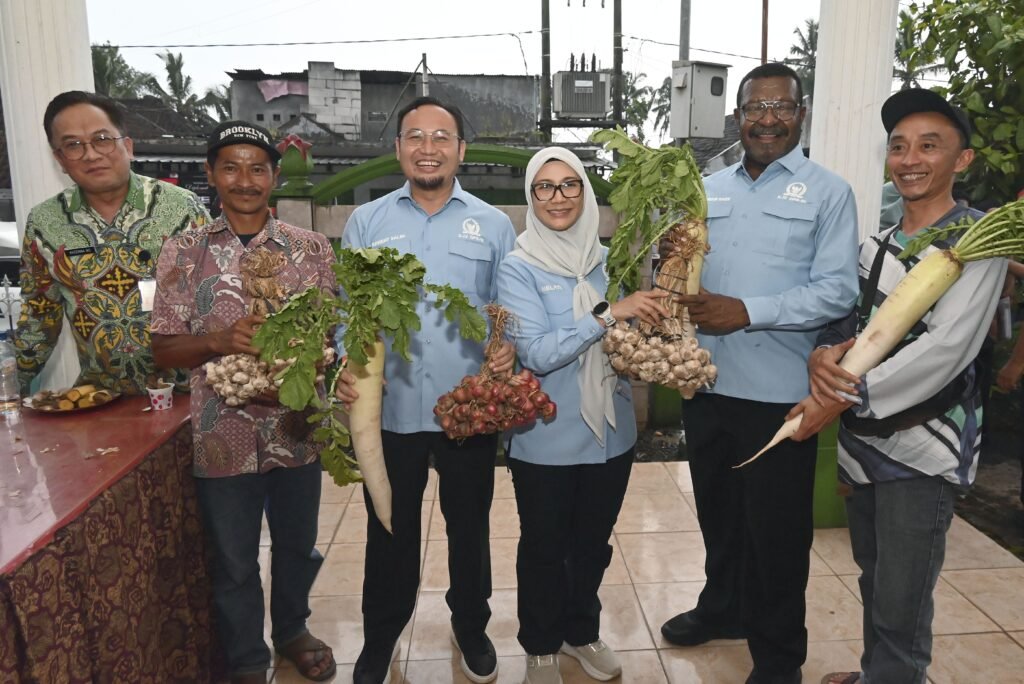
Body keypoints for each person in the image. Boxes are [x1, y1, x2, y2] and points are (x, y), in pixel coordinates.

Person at [789, 89, 1008, 684]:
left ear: (960, 161)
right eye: (899, 146)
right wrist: (822, 354)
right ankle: (877, 675)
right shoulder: (879, 244)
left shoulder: (975, 245)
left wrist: (838, 395)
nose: (910, 158)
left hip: (923, 447)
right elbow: (849, 324)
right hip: (864, 443)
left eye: (929, 146)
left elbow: (944, 353)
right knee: (875, 573)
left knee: (903, 592)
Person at [660, 63, 861, 684]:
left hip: (778, 398)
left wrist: (747, 312)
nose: (767, 119)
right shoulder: (707, 187)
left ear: (799, 114)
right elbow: (687, 267)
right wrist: (673, 257)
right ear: (739, 116)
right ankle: (723, 609)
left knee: (776, 535)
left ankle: (779, 658)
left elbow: (837, 292)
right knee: (718, 516)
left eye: (781, 107)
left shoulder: (829, 192)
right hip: (707, 385)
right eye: (754, 108)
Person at [334, 96, 516, 684]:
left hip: (467, 411)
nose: (428, 148)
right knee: (389, 527)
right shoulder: (368, 222)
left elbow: (503, 312)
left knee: (471, 528)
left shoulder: (493, 224)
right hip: (389, 411)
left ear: (462, 150)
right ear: (398, 149)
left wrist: (503, 349)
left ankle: (471, 626)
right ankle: (381, 636)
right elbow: (347, 313)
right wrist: (344, 357)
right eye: (416, 136)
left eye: (442, 137)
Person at [150, 121, 337, 684]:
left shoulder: (312, 249)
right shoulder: (184, 252)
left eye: (258, 168)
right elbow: (162, 347)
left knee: (298, 547)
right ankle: (247, 659)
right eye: (231, 166)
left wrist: (306, 364)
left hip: (296, 426)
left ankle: (292, 631)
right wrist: (218, 340)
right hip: (219, 434)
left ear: (275, 177)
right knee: (233, 560)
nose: (245, 179)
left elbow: (329, 336)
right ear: (211, 175)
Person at [495, 147, 670, 684]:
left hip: (610, 436)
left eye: (570, 185)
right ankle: (542, 643)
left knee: (593, 543)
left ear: (586, 194)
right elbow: (540, 353)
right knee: (545, 546)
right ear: (530, 197)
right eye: (544, 187)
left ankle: (581, 631)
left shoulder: (606, 259)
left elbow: (625, 338)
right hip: (545, 438)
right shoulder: (517, 266)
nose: (558, 197)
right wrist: (607, 313)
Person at [15, 90, 209, 395]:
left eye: (102, 139)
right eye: (73, 146)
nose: (91, 154)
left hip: (187, 399)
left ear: (127, 146)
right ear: (60, 160)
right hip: (99, 402)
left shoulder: (183, 209)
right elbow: (40, 316)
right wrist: (11, 385)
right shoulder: (45, 223)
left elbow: (218, 301)